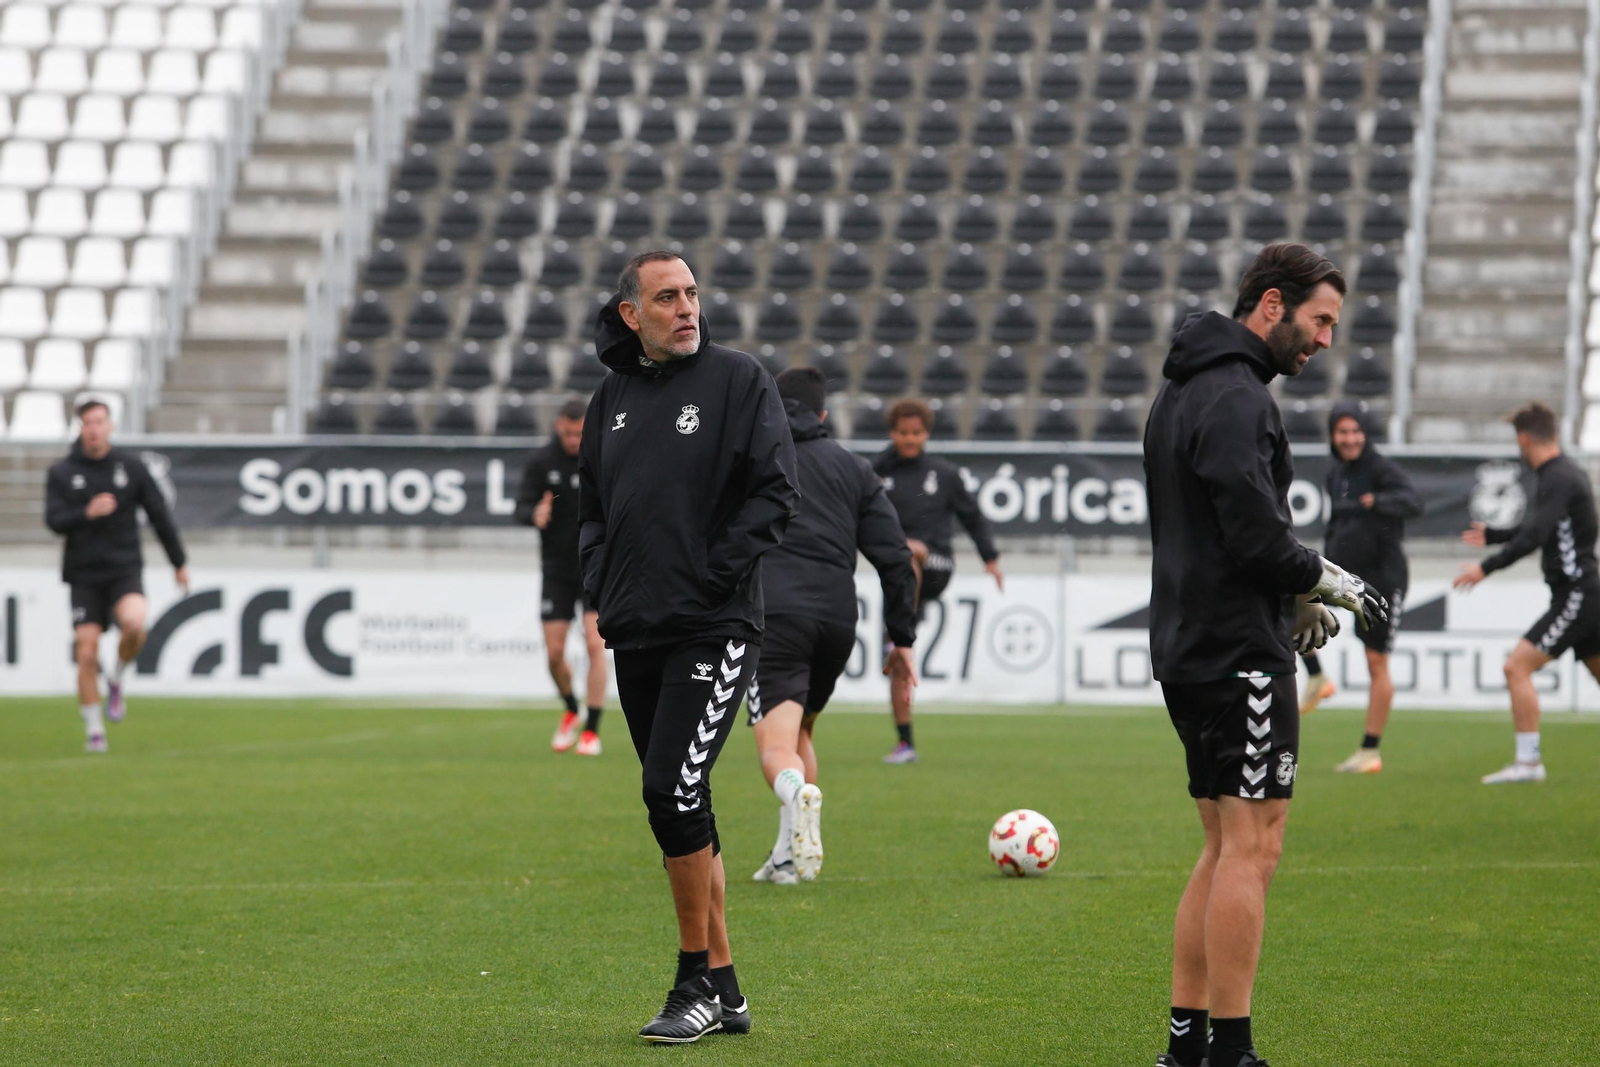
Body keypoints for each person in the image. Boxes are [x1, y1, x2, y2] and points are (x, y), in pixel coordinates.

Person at [1144, 243, 1385, 1067]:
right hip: (1236, 652)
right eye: (1320, 320)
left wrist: (1292, 590)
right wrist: (1321, 577)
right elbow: (1252, 533)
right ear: (1273, 305)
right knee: (1255, 844)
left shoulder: (1181, 387)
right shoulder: (1238, 397)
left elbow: (1219, 526)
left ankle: (1187, 1045)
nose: (1324, 339)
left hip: (1187, 642)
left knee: (1220, 844)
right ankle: (1232, 1053)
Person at [578, 251, 798, 1042]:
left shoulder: (740, 381)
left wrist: (714, 578)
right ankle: (730, 990)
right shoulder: (612, 397)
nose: (686, 308)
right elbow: (594, 507)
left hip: (712, 625)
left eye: (692, 294)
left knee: (670, 789)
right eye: (666, 297)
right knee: (680, 800)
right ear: (631, 313)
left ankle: (694, 981)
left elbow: (777, 492)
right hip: (638, 625)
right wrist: (601, 580)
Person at [747, 367, 920, 886]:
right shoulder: (855, 469)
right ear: (823, 414)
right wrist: (903, 639)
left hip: (773, 615)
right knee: (801, 728)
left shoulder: (755, 458)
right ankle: (785, 859)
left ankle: (796, 793)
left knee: (775, 746)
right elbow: (895, 558)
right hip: (838, 620)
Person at [1454, 401, 1599, 784]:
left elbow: (1536, 535)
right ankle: (1528, 763)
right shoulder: (1566, 474)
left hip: (1578, 595)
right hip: (1583, 594)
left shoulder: (1558, 477)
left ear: (1523, 439)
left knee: (1516, 667)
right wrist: (1497, 535)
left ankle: (1529, 763)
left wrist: (1486, 567)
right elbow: (1543, 527)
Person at [44, 399, 190, 753]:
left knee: (136, 625)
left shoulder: (131, 467)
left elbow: (159, 516)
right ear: (80, 428)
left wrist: (178, 562)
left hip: (124, 569)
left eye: (99, 422)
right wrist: (86, 512)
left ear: (109, 426)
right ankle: (95, 732)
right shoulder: (62, 472)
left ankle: (117, 677)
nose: (94, 429)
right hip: (83, 575)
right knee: (87, 652)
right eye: (87, 423)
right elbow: (54, 521)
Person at [872, 398, 1002, 763]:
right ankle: (905, 742)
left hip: (937, 565)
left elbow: (973, 517)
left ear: (926, 433)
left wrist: (990, 558)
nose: (909, 439)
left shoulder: (944, 474)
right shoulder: (878, 471)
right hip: (899, 578)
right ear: (892, 433)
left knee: (908, 550)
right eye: (902, 432)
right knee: (898, 658)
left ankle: (901, 629)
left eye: (916, 433)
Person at [1298, 402, 1423, 775]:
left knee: (1375, 661)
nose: (1350, 439)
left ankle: (1370, 751)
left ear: (1365, 434)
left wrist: (1379, 502)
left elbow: (1414, 503)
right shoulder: (1335, 474)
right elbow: (1336, 524)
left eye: (1356, 431)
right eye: (1342, 432)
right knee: (1289, 601)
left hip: (1382, 579)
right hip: (1343, 575)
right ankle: (1317, 677)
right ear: (1333, 436)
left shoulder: (1382, 470)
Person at [515, 396, 605, 756]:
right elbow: (520, 507)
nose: (573, 440)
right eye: (568, 433)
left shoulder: (599, 457)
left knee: (595, 644)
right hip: (555, 569)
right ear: (558, 427)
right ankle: (571, 707)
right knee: (554, 653)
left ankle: (592, 731)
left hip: (594, 567)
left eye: (579, 433)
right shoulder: (541, 461)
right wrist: (533, 514)